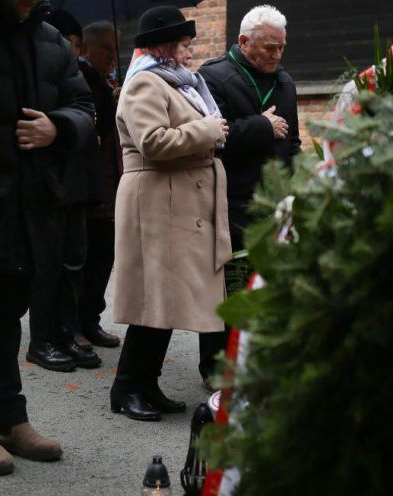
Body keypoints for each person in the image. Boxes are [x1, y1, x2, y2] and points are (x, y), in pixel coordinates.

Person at [0, 0, 95, 476]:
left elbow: (84, 107)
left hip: (34, 199)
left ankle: (10, 417)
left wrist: (59, 127)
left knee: (10, 311)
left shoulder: (50, 39)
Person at [110, 6, 231, 422]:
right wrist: (210, 130)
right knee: (152, 301)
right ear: (164, 46)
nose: (190, 52)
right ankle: (126, 389)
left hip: (173, 203)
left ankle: (146, 384)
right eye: (183, 45)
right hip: (156, 204)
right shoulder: (145, 83)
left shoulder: (178, 84)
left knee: (164, 302)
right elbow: (153, 142)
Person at [197, 4, 299, 389]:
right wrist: (261, 126)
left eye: (281, 48)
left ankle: (254, 362)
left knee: (263, 287)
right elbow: (212, 137)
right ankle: (215, 366)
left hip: (272, 204)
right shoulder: (214, 76)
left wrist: (298, 182)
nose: (276, 56)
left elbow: (291, 142)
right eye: (269, 48)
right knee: (226, 287)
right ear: (243, 41)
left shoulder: (285, 83)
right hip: (229, 200)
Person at [73, 20, 123, 349]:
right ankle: (73, 323)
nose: (112, 56)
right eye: (106, 48)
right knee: (82, 258)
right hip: (84, 185)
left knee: (103, 257)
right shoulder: (78, 79)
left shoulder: (108, 83)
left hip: (109, 185)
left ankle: (91, 320)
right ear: (86, 48)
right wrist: (110, 99)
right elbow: (92, 125)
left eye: (116, 50)